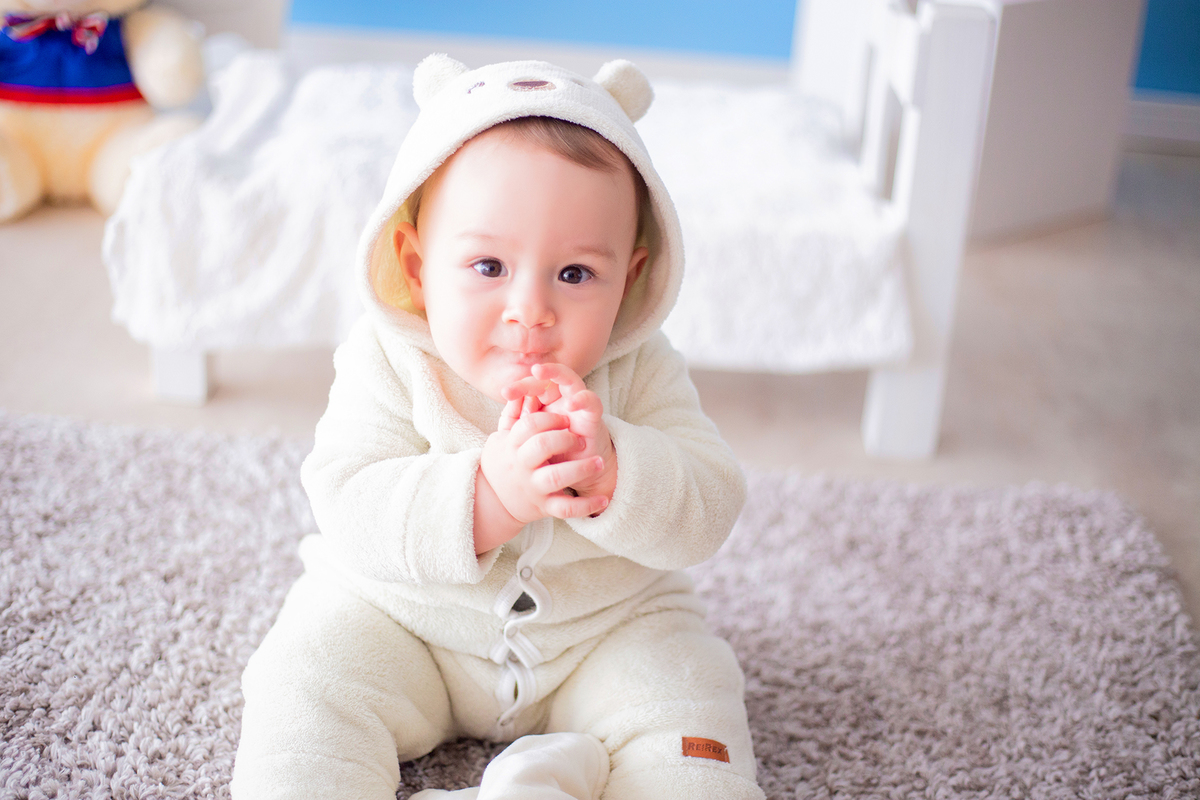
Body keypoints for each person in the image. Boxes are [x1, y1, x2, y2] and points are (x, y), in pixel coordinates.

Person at [230, 54, 763, 800]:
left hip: (601, 635)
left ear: (632, 276)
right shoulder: (390, 360)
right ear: (416, 268)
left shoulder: (641, 369)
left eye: (575, 274)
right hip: (406, 625)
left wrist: (619, 471)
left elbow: (709, 507)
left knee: (689, 684)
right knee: (304, 674)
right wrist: (490, 493)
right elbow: (350, 501)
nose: (531, 310)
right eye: (487, 265)